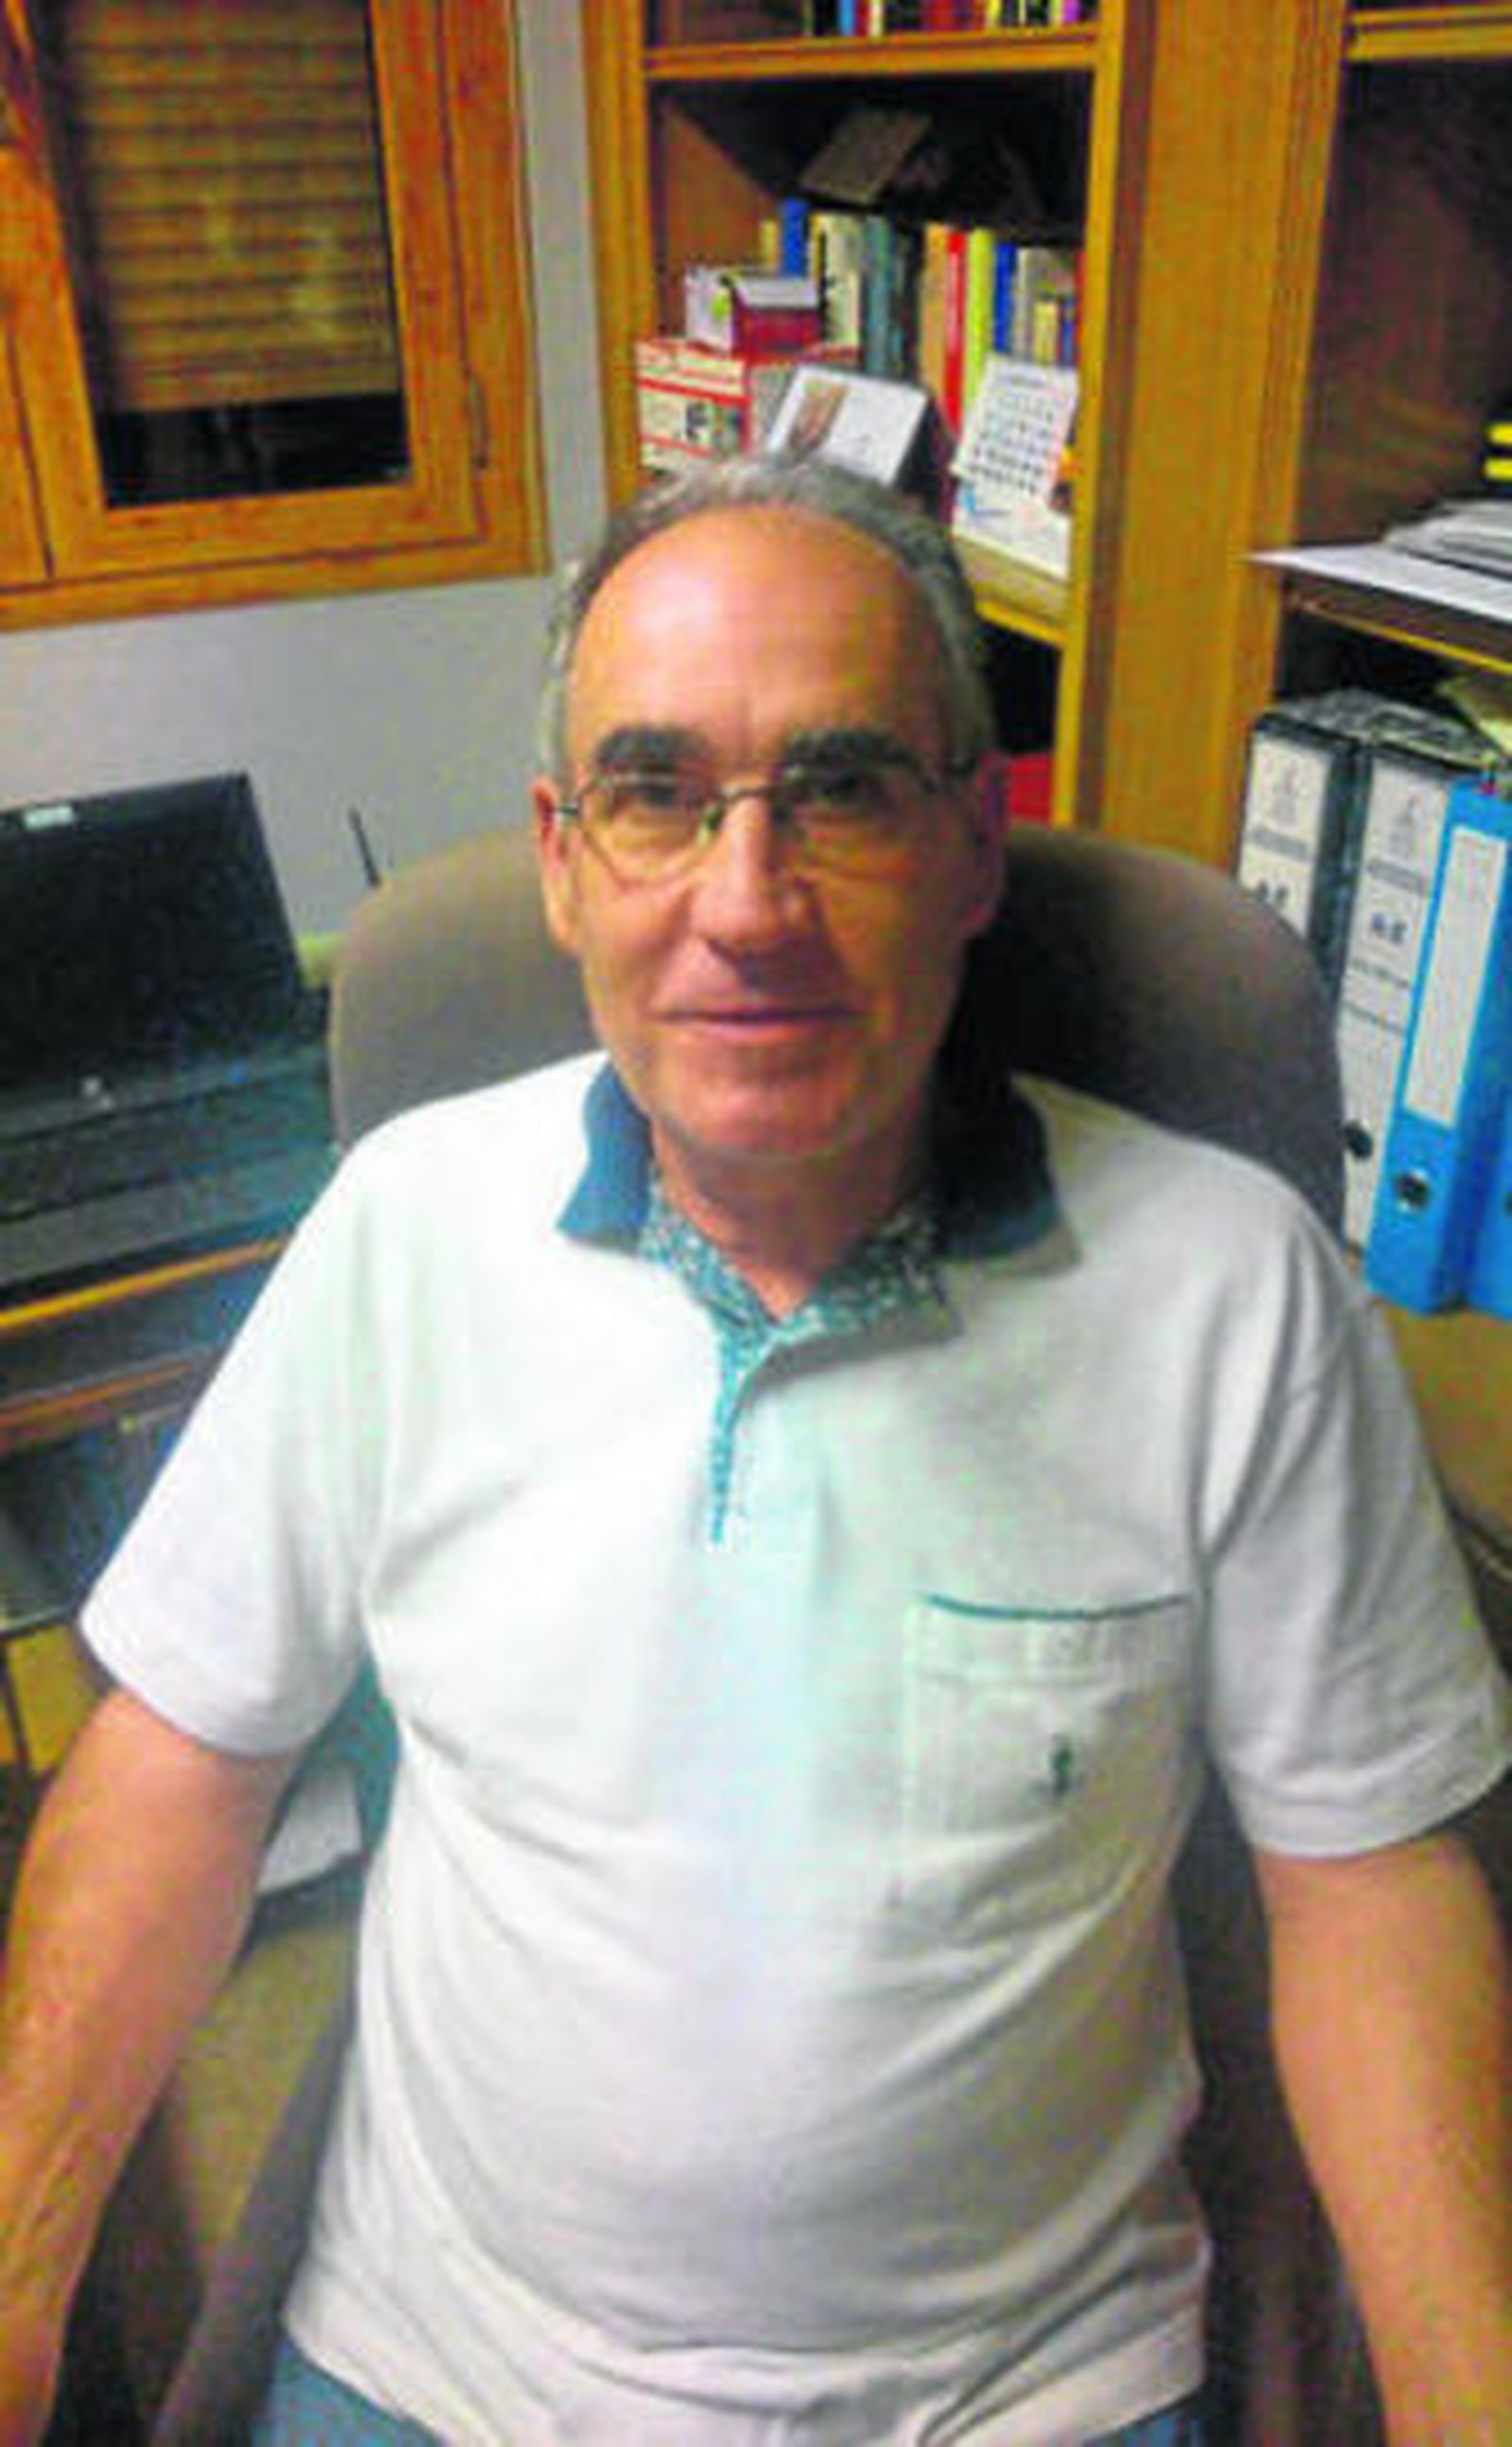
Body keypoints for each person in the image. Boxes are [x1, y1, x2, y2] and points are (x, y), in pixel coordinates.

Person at [3, 452, 1511, 2447]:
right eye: (655, 793)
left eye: (842, 788)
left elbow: (1367, 1883)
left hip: (1017, 2396)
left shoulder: (1233, 1288)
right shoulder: (403, 1227)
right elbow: (182, 1764)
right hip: (439, 2365)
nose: (744, 902)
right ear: (561, 860)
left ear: (973, 843)